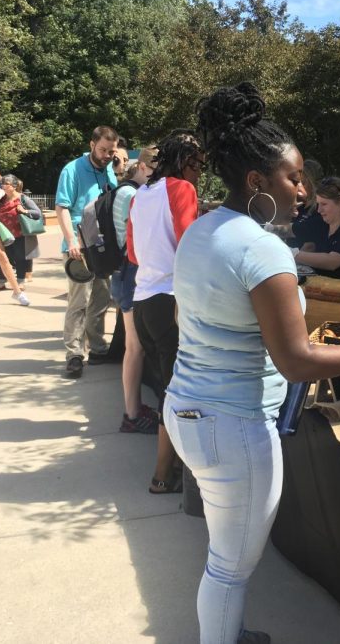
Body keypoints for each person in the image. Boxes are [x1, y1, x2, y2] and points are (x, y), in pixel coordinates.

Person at [166, 82, 340, 644]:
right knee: (230, 566)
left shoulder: (203, 229)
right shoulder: (260, 247)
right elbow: (298, 362)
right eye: (293, 178)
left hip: (187, 409)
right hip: (235, 427)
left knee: (223, 555)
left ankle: (229, 632)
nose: (304, 189)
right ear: (256, 182)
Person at [127, 132, 203, 493]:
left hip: (143, 300)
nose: (200, 173)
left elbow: (132, 254)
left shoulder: (140, 195)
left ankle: (168, 465)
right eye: (198, 164)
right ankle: (162, 475)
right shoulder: (181, 189)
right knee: (174, 393)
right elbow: (190, 244)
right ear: (185, 162)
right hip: (170, 300)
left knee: (164, 386)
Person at [55, 125, 119, 378]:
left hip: (101, 246)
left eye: (111, 151)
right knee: (79, 301)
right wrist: (71, 240)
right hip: (79, 247)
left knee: (101, 299)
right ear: (92, 144)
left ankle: (98, 348)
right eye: (103, 150)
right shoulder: (72, 170)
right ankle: (74, 354)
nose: (106, 155)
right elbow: (62, 207)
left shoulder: (108, 171)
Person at [108, 148, 158, 434]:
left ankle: (134, 408)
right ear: (142, 167)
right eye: (153, 170)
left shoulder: (123, 190)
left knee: (133, 346)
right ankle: (132, 413)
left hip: (121, 271)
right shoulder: (133, 195)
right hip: (129, 272)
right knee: (135, 347)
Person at [0, 173, 39, 305]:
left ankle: (20, 281)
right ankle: (1, 282)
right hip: (3, 234)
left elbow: (37, 213)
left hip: (19, 233)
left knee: (20, 258)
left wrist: (24, 211)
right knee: (2, 258)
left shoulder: (23, 198)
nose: (3, 186)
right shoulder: (1, 199)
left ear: (13, 186)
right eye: (2, 183)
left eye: (5, 184)